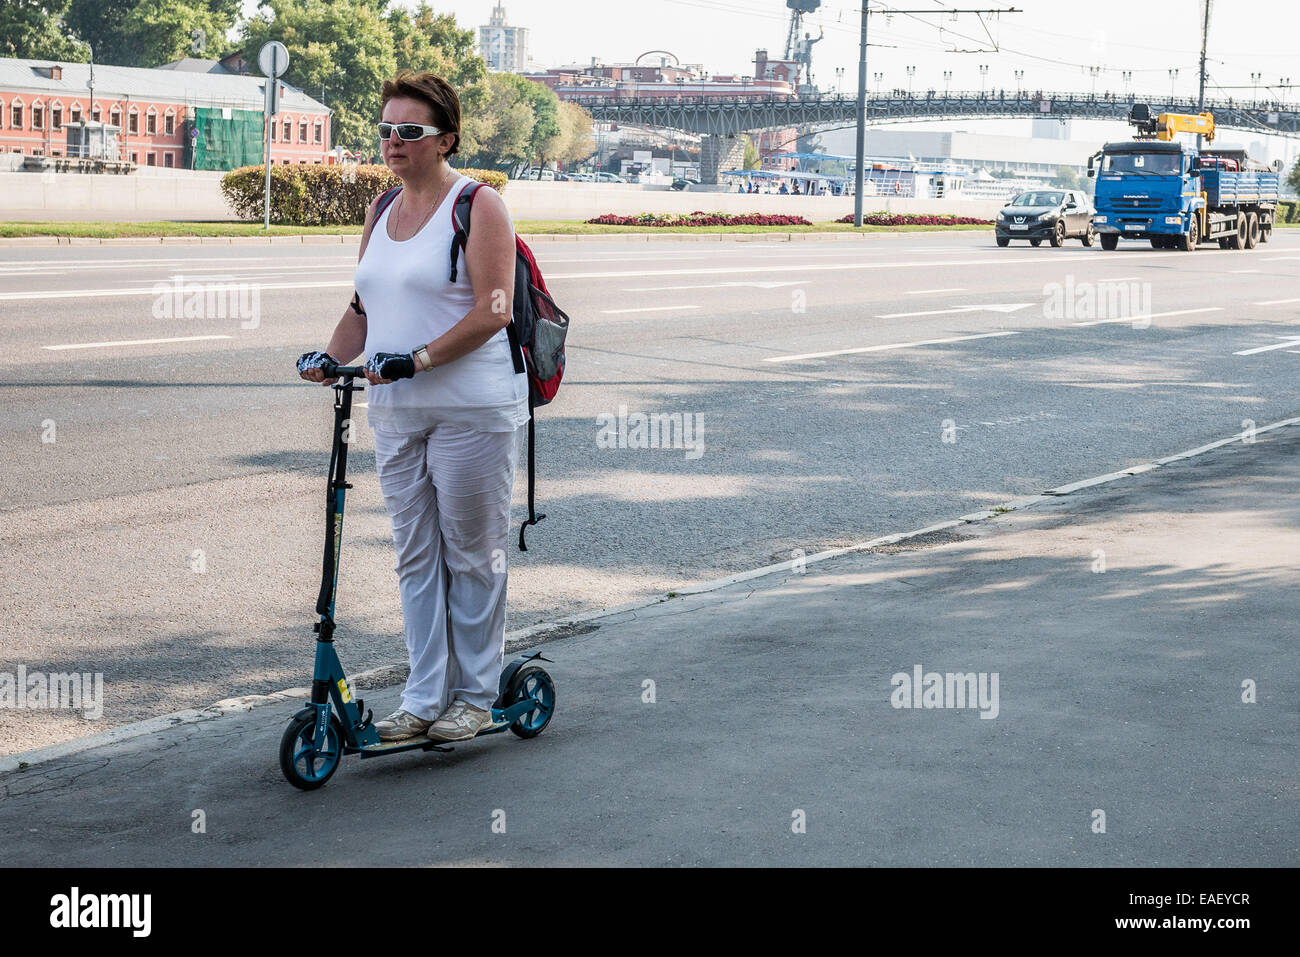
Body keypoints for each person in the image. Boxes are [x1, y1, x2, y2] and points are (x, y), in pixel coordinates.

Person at [297, 70, 528, 743]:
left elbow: (493, 309)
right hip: (396, 410)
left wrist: (418, 358)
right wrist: (329, 356)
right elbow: (364, 305)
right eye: (385, 130)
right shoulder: (380, 209)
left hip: (470, 409)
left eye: (410, 131)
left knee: (471, 552)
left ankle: (476, 695)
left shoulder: (478, 205)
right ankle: (423, 696)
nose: (393, 141)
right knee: (415, 556)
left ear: (445, 138)